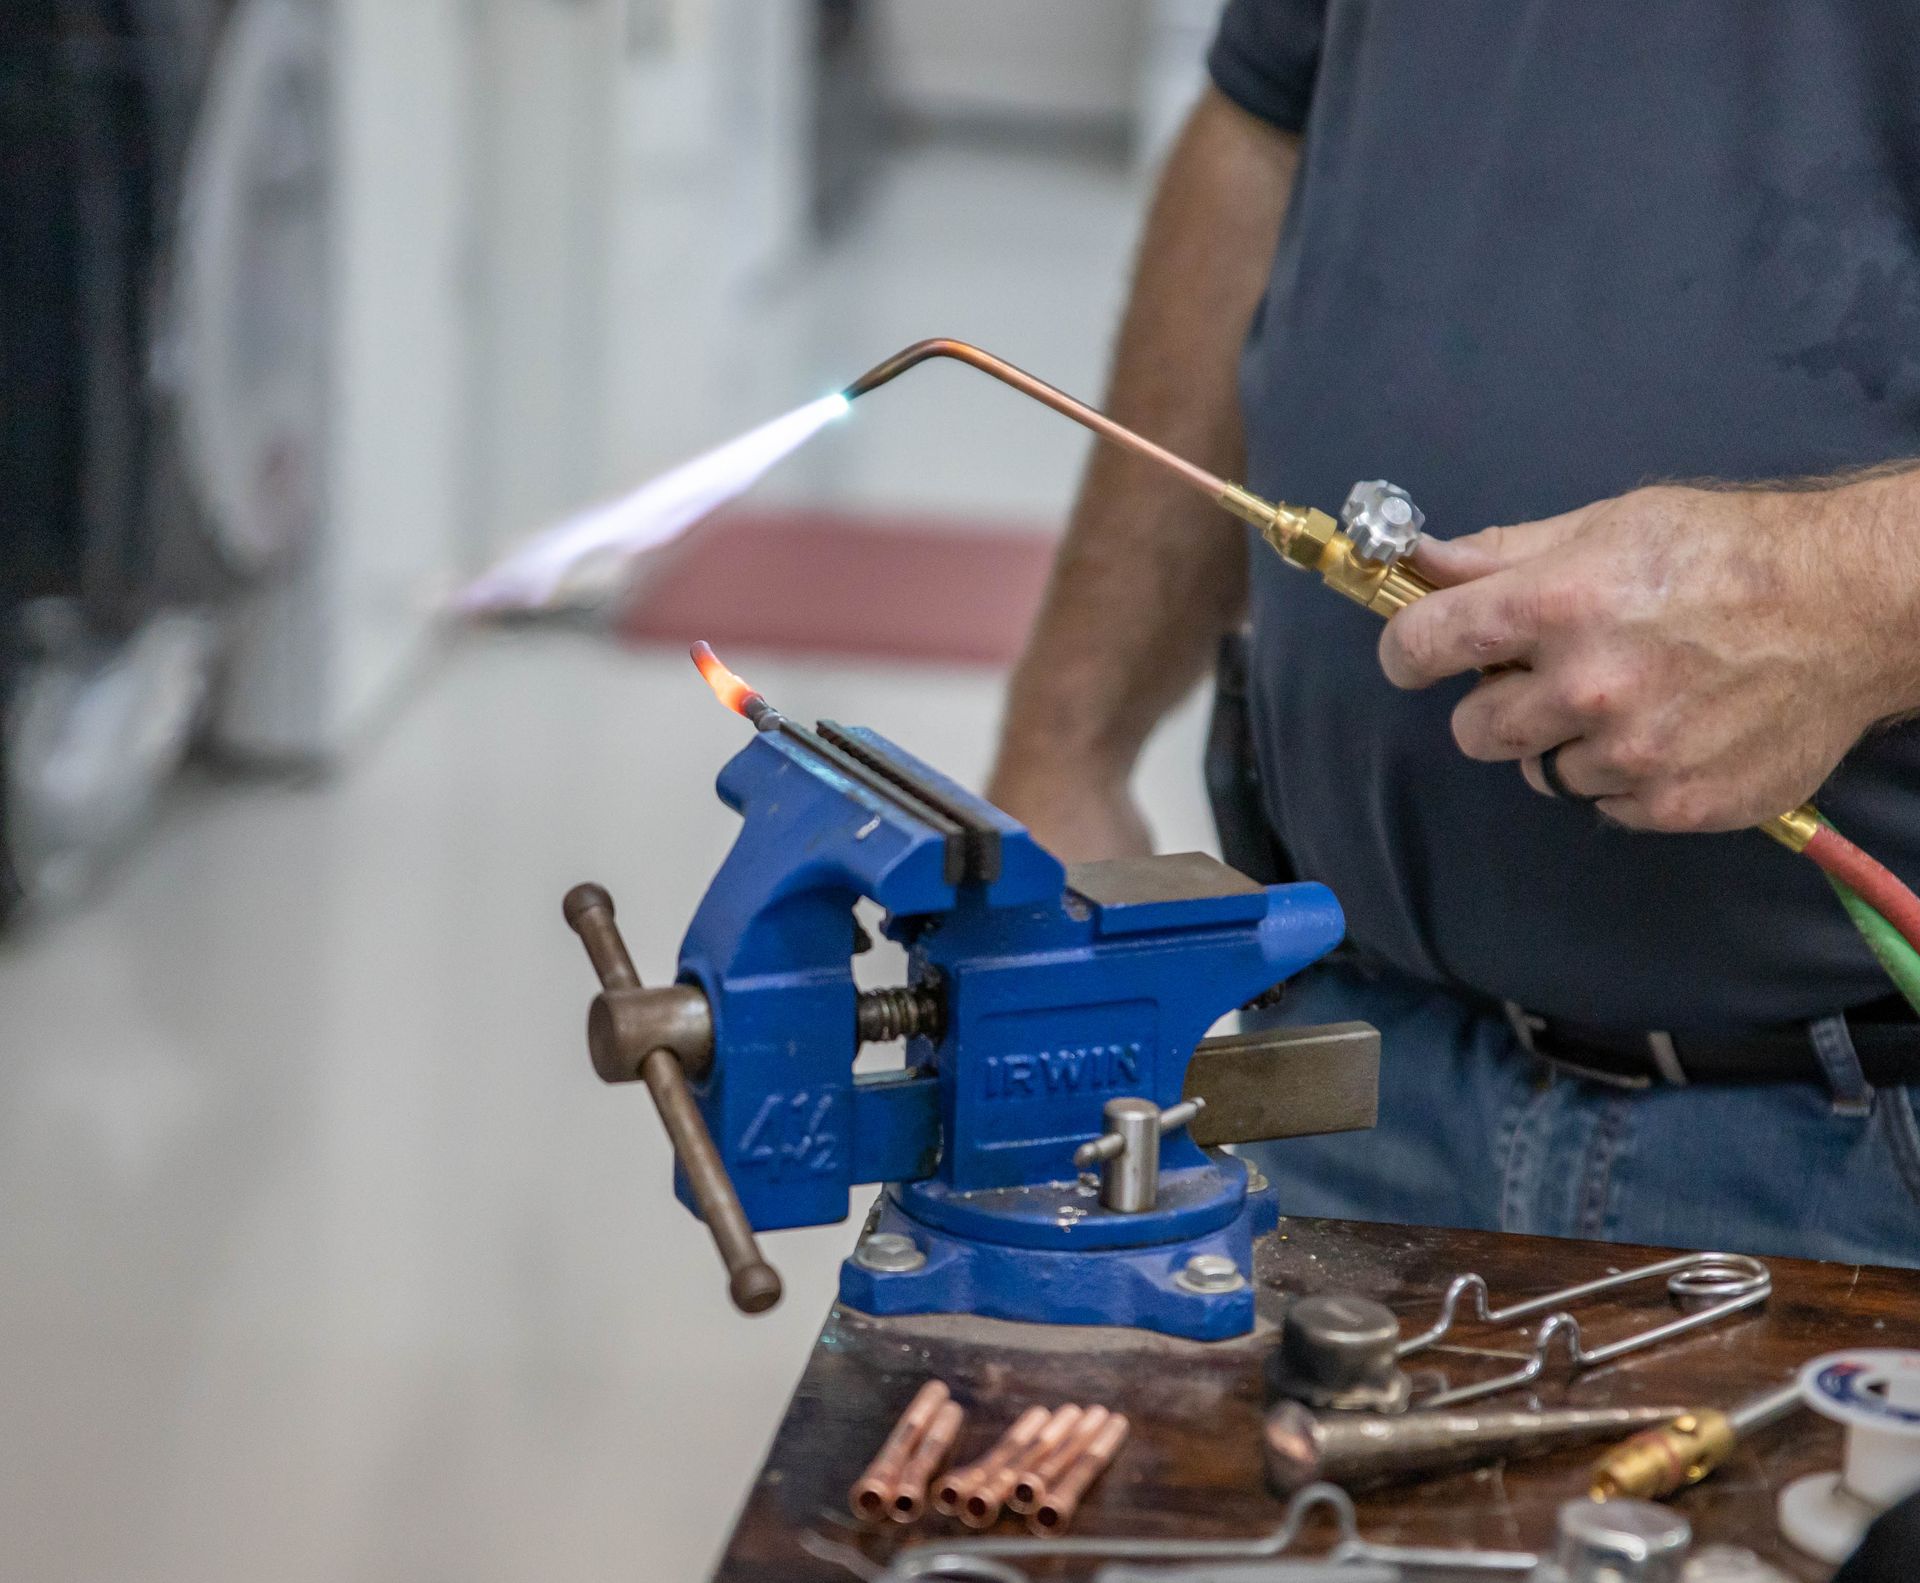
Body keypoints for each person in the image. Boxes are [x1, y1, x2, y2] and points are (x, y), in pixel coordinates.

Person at [986, 1, 1920, 1266]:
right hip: (1346, 1060)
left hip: (1860, 1154)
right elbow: (1262, 126)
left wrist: (1855, 591)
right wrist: (1068, 746)